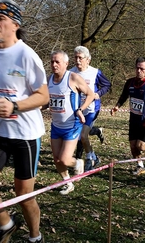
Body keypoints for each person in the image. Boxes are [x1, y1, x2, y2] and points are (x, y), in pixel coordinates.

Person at [0, 0, 48, 243]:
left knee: (24, 195)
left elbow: (43, 96)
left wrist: (15, 105)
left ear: (14, 24)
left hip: (25, 135)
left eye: (1, 19)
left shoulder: (26, 55)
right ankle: (7, 224)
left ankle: (35, 237)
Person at [47, 50, 95, 195]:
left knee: (65, 159)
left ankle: (77, 162)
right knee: (57, 160)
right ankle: (68, 183)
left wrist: (80, 109)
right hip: (56, 125)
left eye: (57, 62)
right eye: (52, 62)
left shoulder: (73, 78)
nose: (54, 65)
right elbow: (47, 101)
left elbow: (91, 94)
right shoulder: (49, 79)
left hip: (72, 126)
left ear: (66, 64)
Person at [110, 57, 145, 176]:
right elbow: (124, 95)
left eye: (142, 69)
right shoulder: (130, 82)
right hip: (134, 118)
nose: (139, 71)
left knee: (140, 145)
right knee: (133, 146)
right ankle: (140, 165)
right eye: (137, 68)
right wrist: (117, 106)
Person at [70, 46, 111, 171]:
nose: (78, 61)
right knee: (78, 136)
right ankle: (94, 157)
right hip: (77, 110)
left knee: (83, 135)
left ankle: (89, 158)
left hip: (92, 109)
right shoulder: (71, 73)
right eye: (76, 57)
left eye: (80, 58)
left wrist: (99, 93)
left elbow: (107, 84)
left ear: (88, 60)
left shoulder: (95, 72)